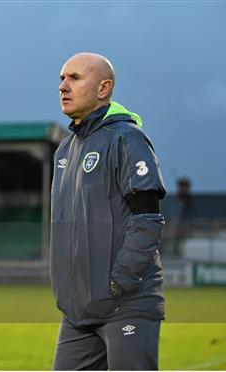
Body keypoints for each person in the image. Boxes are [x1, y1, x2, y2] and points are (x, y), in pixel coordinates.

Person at [50, 52, 166, 370]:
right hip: (79, 310)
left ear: (103, 88)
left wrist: (118, 284)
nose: (63, 86)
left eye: (74, 78)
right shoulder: (64, 150)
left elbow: (148, 219)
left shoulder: (127, 138)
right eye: (61, 78)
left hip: (126, 304)